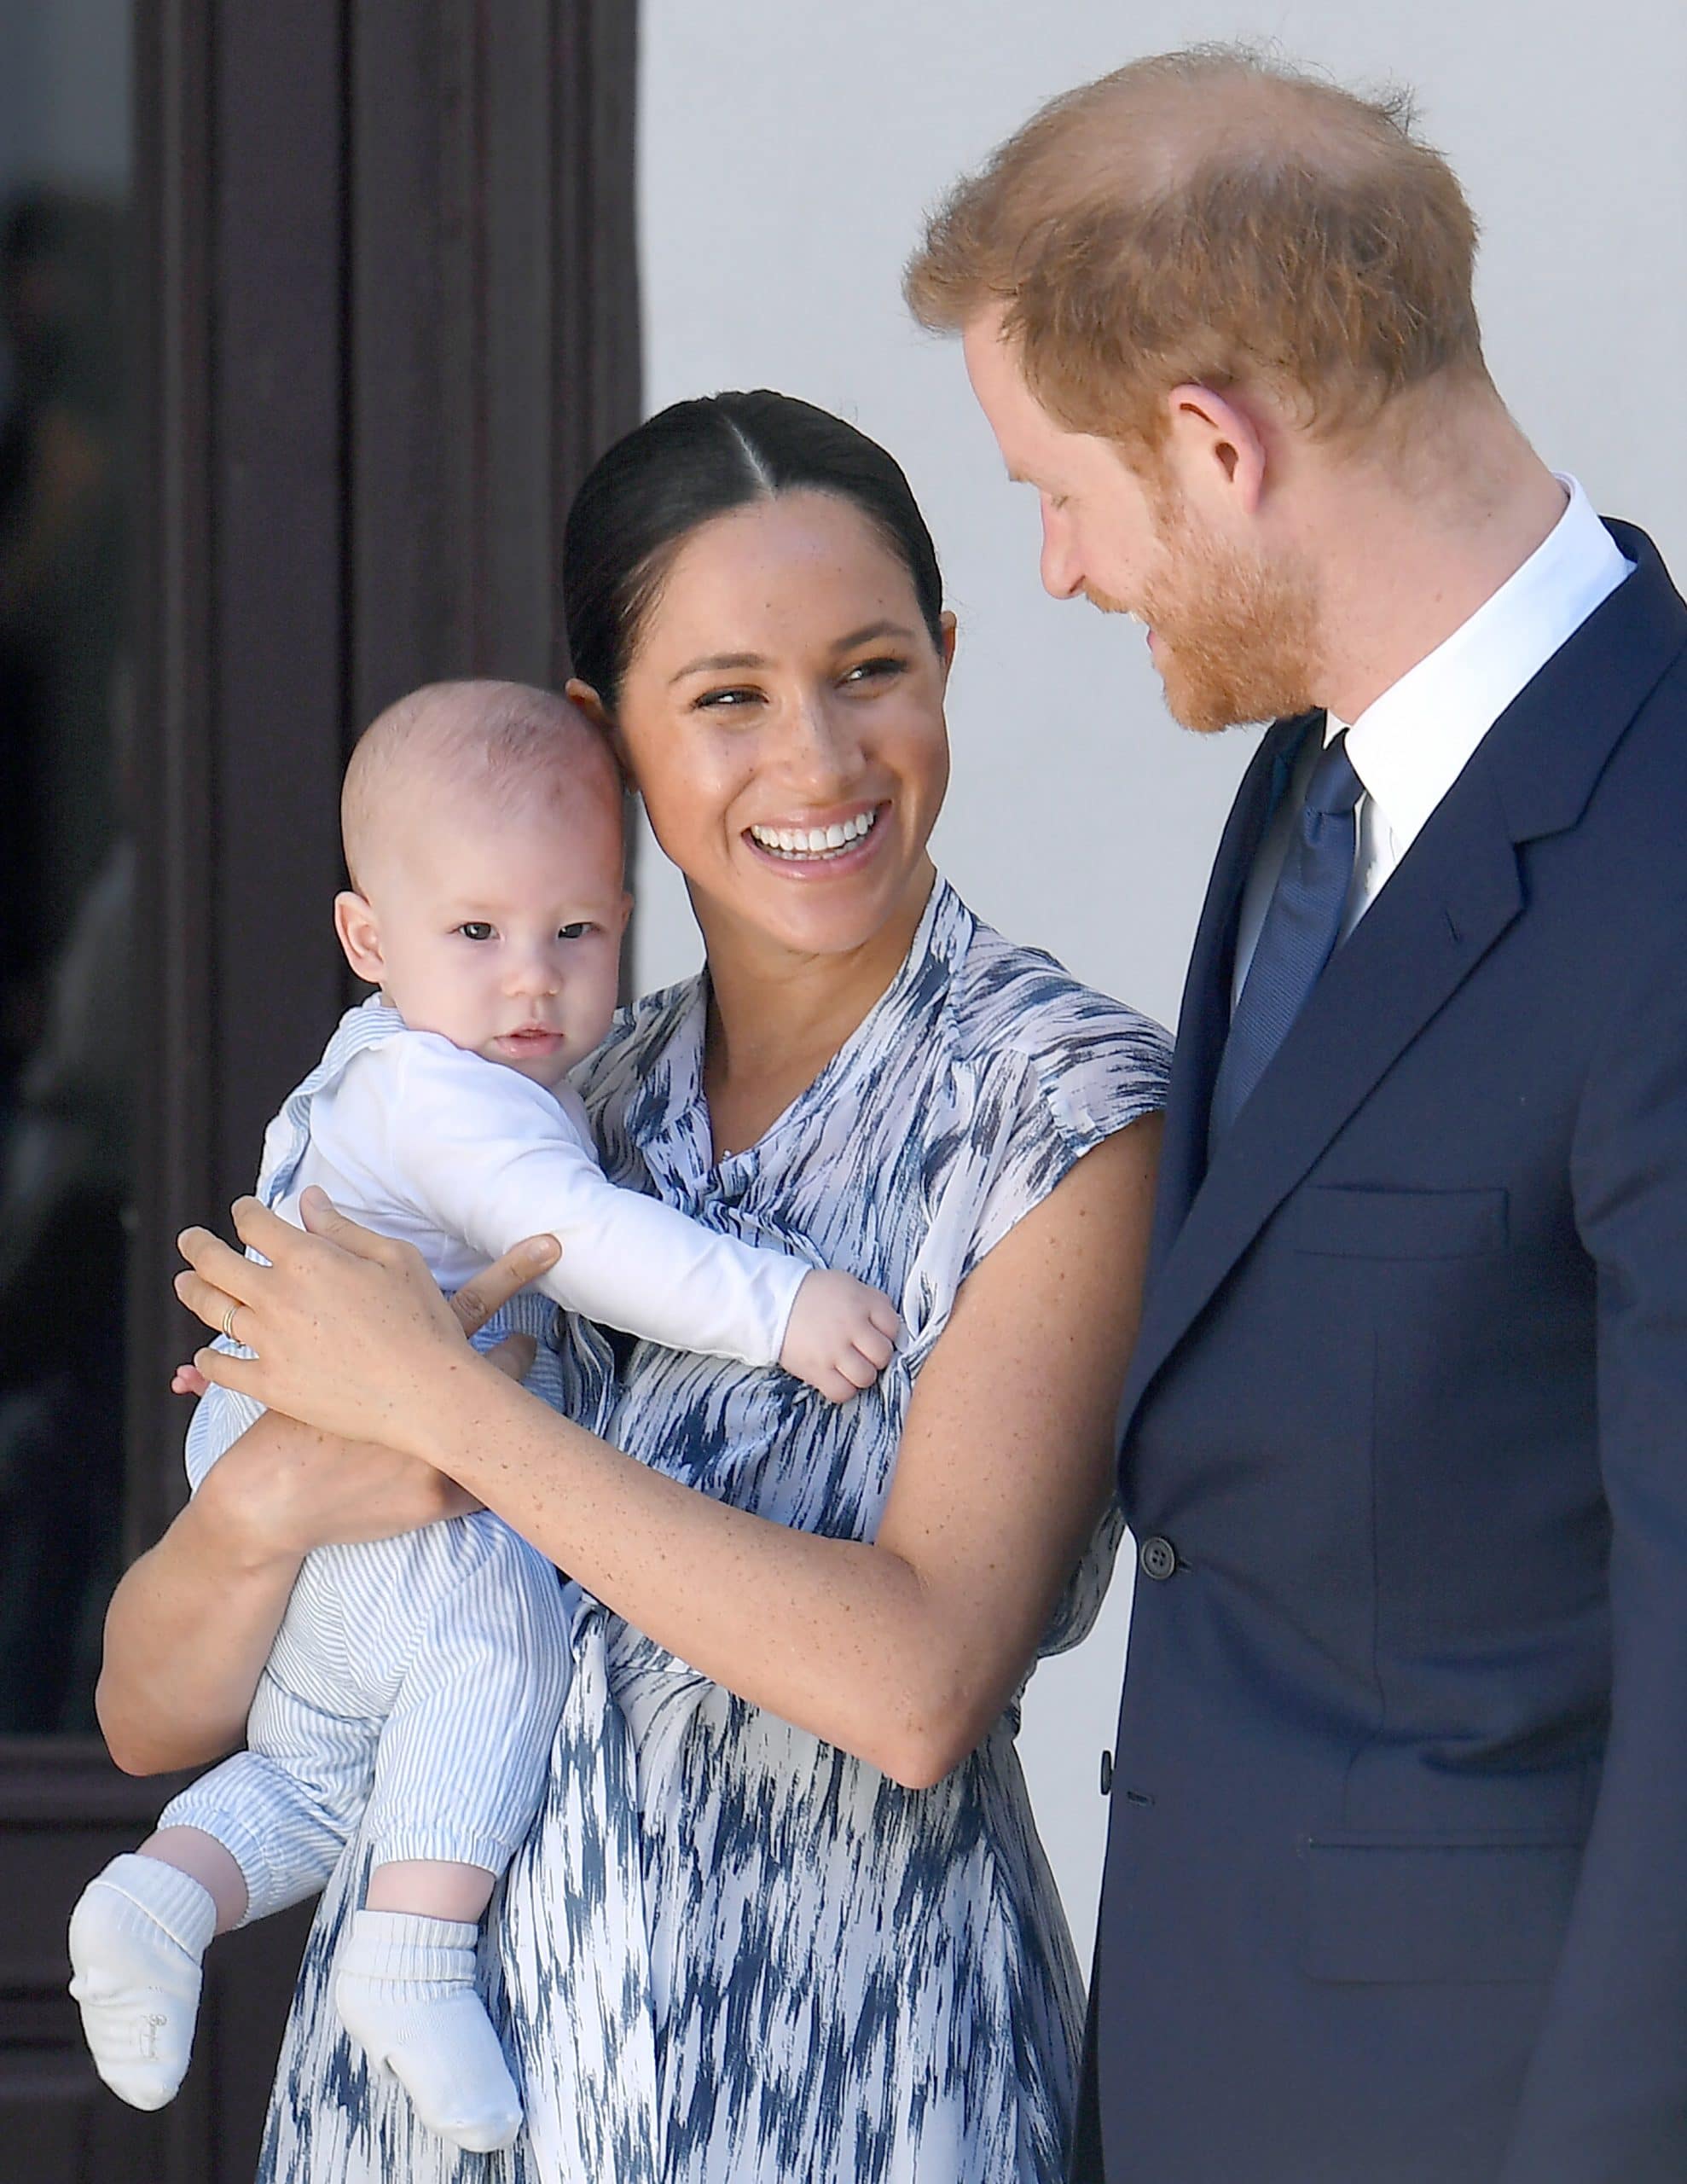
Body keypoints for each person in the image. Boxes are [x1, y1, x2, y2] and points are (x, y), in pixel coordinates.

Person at [101, 391, 1171, 2181]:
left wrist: (439, 1405)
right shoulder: (534, 1102)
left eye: (870, 669)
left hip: (836, 2089)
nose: (817, 758)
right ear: (608, 740)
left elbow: (916, 1683)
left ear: (946, 665)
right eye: (727, 694)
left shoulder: (1055, 1107)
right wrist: (281, 1481)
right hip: (438, 2118)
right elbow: (154, 1706)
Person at [905, 43, 1687, 2184]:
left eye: (1050, 493)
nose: (1056, 570)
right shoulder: (1299, 793)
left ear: (1210, 443)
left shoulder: (1663, 858)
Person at [67, 677, 899, 2153]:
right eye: (476, 935)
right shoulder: (448, 1099)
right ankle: (413, 1957)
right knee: (500, 1630)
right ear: (368, 942)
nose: (533, 982)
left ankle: (157, 1896)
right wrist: (782, 1310)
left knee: (324, 1766)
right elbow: (578, 1238)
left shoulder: (413, 1067)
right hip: (362, 1459)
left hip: (317, 1465)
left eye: (576, 933)